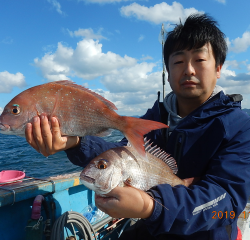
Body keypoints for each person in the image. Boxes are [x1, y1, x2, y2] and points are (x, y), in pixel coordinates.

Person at [25, 13, 250, 240]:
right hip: (154, 229)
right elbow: (121, 157)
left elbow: (228, 202)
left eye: (199, 60)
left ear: (218, 68)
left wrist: (150, 206)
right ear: (168, 72)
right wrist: (75, 143)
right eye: (179, 62)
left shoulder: (239, 127)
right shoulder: (156, 117)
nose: (189, 70)